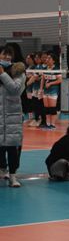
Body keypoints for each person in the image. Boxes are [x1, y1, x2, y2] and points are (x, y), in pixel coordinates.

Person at [0, 46, 26, 188]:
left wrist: (2, 74)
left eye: (9, 55)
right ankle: (2, 169)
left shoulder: (18, 71)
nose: (7, 57)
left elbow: (15, 89)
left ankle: (13, 176)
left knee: (12, 148)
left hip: (13, 116)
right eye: (4, 54)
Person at [41, 51, 61, 130]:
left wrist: (51, 83)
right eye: (47, 58)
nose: (47, 60)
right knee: (46, 108)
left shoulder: (56, 69)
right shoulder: (45, 69)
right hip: (45, 91)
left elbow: (60, 80)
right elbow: (42, 79)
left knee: (52, 108)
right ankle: (48, 124)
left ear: (53, 60)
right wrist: (41, 89)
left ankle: (52, 124)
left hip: (53, 91)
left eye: (49, 58)